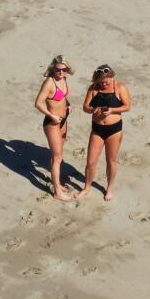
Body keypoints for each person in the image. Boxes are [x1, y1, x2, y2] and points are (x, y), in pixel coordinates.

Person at [79, 65, 131, 201]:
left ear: (112, 77)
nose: (104, 83)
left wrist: (112, 110)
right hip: (97, 129)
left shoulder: (120, 88)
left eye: (106, 80)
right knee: (91, 161)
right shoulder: (93, 89)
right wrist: (92, 110)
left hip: (114, 130)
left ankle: (109, 189)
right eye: (101, 81)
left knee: (111, 161)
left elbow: (127, 106)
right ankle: (87, 187)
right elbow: (85, 106)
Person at [34, 56, 77, 201]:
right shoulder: (49, 83)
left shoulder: (64, 79)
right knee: (58, 157)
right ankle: (57, 192)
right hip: (52, 123)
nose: (60, 72)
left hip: (63, 121)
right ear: (53, 68)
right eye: (58, 69)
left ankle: (56, 183)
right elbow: (38, 103)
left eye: (64, 69)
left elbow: (62, 97)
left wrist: (68, 104)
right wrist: (51, 115)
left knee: (57, 155)